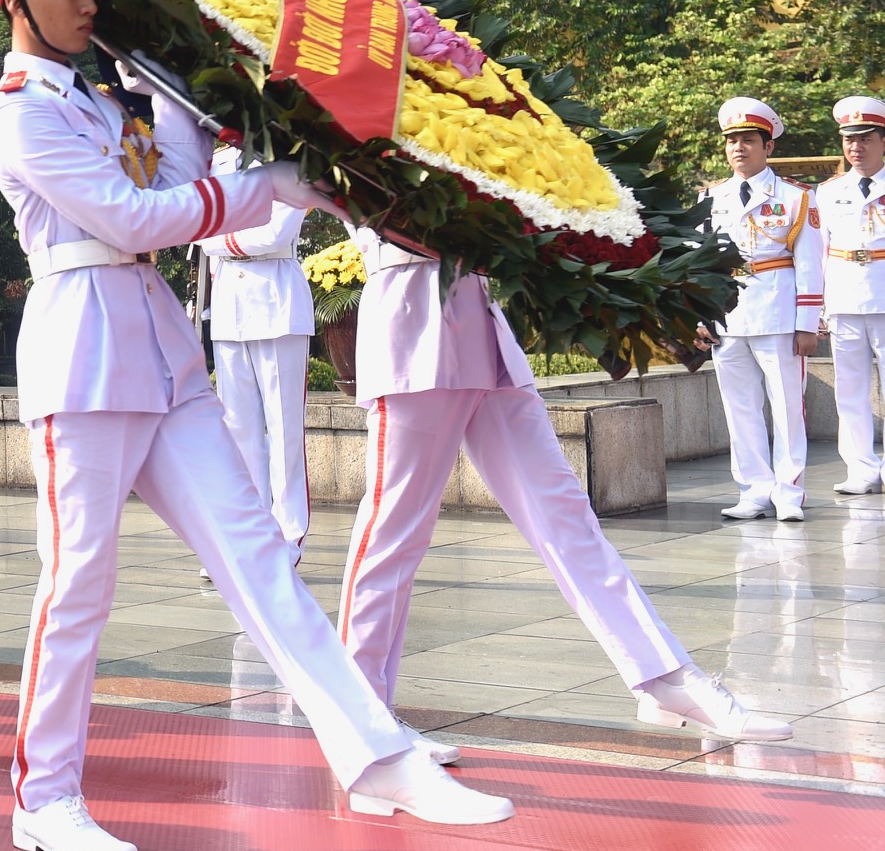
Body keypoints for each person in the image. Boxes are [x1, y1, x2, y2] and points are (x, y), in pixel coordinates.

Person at [0, 0, 508, 851]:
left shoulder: (112, 95)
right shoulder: (17, 115)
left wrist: (284, 129)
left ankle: (374, 752)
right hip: (81, 352)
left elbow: (194, 164)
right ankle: (42, 795)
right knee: (77, 585)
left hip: (161, 348)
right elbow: (136, 216)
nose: (89, 4)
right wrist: (256, 180)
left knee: (257, 553)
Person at [335, 223, 788, 747]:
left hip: (483, 332)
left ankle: (665, 678)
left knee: (567, 517)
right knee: (394, 533)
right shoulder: (354, 150)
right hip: (414, 331)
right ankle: (360, 717)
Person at [701, 98, 823, 521]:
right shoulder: (709, 199)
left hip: (777, 314)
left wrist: (807, 324)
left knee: (788, 408)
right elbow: (699, 264)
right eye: (732, 140)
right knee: (740, 408)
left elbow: (810, 265)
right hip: (727, 318)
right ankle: (754, 489)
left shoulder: (796, 197)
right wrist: (700, 317)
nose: (739, 148)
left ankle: (789, 493)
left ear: (767, 147)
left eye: (748, 140)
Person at [196, 143, 314, 557]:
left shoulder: (291, 160)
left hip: (277, 299)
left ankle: (289, 533)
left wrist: (220, 238)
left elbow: (276, 232)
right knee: (239, 429)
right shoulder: (221, 160)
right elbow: (200, 225)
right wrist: (218, 236)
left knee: (284, 431)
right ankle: (251, 534)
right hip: (229, 305)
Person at [816, 96, 885, 496]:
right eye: (848, 140)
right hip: (843, 298)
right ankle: (861, 468)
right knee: (850, 390)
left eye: (865, 138)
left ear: (882, 141)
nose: (855, 147)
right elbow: (818, 249)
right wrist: (820, 305)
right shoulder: (829, 192)